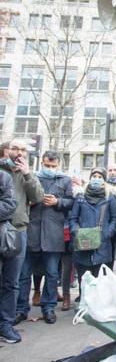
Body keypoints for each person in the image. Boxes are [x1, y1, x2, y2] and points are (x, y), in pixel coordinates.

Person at [16, 150, 73, 325]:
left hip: (54, 233)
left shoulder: (65, 180)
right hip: (32, 231)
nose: (50, 168)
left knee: (52, 273)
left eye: (53, 166)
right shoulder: (31, 177)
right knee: (24, 274)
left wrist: (58, 202)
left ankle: (48, 308)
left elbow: (71, 202)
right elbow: (20, 199)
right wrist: (30, 201)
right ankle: (21, 309)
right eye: (47, 165)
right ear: (42, 163)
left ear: (58, 165)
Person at [0, 139, 44, 343]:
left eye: (23, 149)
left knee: (11, 282)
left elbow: (38, 197)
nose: (19, 152)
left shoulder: (27, 173)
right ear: (6, 150)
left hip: (17, 232)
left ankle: (5, 324)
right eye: (15, 148)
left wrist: (27, 174)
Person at [69, 167, 116, 294]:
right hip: (83, 242)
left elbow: (115, 218)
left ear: (104, 180)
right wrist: (76, 232)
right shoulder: (80, 196)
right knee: (84, 279)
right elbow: (73, 218)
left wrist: (108, 233)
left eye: (100, 177)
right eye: (94, 176)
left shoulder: (109, 197)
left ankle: (98, 303)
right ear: (90, 178)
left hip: (102, 243)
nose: (96, 179)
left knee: (100, 280)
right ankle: (83, 300)